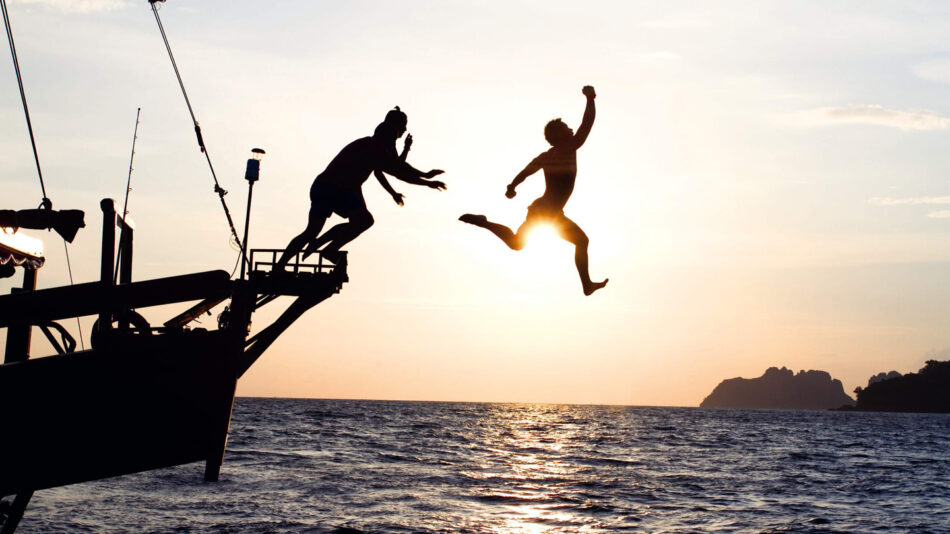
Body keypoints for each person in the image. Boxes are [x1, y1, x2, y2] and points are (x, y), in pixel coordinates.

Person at [460, 85, 608, 296]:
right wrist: (590, 98)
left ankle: (483, 222)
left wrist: (512, 186)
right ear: (560, 136)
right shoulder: (569, 147)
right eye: (567, 128)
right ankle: (586, 285)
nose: (571, 129)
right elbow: (587, 124)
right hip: (547, 212)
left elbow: (526, 171)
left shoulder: (546, 156)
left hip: (545, 211)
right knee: (581, 242)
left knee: (517, 243)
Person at [275, 107, 445, 270]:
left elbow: (396, 167)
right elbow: (398, 171)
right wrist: (426, 179)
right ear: (394, 128)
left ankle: (327, 249)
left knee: (363, 221)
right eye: (403, 126)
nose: (405, 130)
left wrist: (421, 176)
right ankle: (283, 264)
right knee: (311, 231)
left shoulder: (383, 146)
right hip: (328, 187)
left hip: (346, 190)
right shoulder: (373, 146)